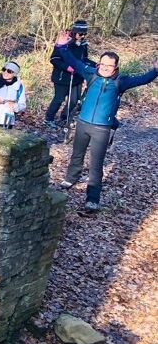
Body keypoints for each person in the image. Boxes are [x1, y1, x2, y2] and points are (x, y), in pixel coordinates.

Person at [54, 32, 158, 210]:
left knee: (96, 163)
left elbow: (143, 79)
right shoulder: (90, 74)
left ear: (116, 67)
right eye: (102, 64)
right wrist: (62, 47)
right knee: (77, 155)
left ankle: (92, 199)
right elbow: (72, 61)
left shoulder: (121, 82)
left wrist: (155, 70)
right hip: (83, 123)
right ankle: (70, 179)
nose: (105, 67)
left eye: (109, 65)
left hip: (102, 129)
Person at [45, 19, 92, 130]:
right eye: (81, 34)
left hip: (77, 77)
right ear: (75, 32)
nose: (83, 36)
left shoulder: (83, 44)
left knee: (74, 101)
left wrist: (95, 65)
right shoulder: (64, 42)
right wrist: (67, 67)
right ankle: (48, 119)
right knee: (59, 99)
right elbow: (54, 59)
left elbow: (84, 59)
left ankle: (64, 117)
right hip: (62, 77)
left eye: (85, 34)